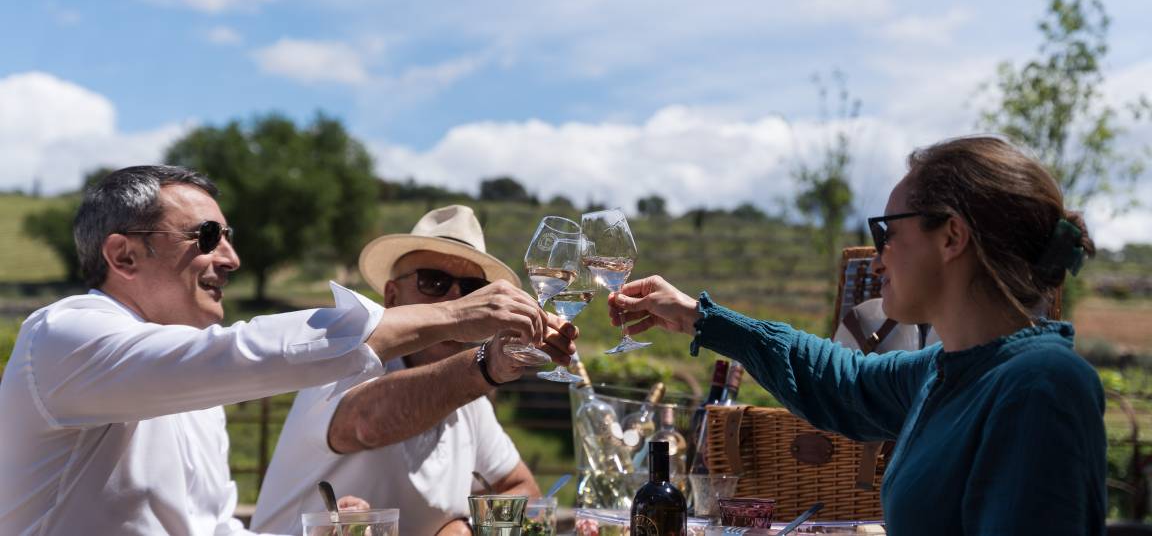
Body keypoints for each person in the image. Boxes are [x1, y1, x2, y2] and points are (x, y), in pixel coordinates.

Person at [0, 167, 552, 536]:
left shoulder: (193, 384)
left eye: (229, 237)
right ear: (122, 255)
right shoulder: (64, 337)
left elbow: (214, 527)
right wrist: (459, 323)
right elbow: (250, 354)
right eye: (208, 237)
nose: (233, 258)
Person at [608, 136, 1106, 535]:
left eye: (887, 231)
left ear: (952, 236)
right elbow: (841, 381)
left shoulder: (1040, 386)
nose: (876, 255)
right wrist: (699, 317)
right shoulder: (950, 369)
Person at [251, 205, 577, 536]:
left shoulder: (471, 401)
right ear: (392, 297)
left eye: (470, 289)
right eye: (434, 281)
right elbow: (366, 423)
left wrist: (466, 529)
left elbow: (524, 491)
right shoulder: (345, 355)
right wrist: (486, 366)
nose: (455, 298)